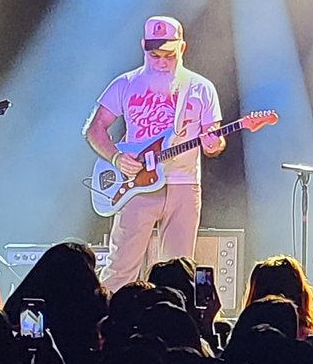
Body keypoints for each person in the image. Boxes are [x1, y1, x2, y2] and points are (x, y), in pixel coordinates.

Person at [84, 15, 225, 292]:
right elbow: (95, 129)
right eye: (154, 54)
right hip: (136, 185)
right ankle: (106, 328)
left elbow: (214, 137)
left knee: (179, 271)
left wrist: (214, 145)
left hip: (183, 184)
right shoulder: (125, 83)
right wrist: (115, 157)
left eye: (169, 55)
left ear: (182, 48)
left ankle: (173, 329)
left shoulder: (200, 88)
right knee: (120, 267)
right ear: (143, 47)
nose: (161, 61)